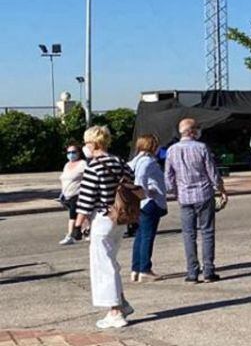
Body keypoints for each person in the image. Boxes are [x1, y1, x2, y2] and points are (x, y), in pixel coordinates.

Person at [74, 126, 137, 329]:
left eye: (86, 143)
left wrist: (77, 225)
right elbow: (131, 182)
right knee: (111, 260)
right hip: (120, 217)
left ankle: (115, 312)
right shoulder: (120, 162)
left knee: (103, 265)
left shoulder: (94, 167)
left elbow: (85, 199)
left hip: (102, 218)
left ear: (93, 143)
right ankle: (122, 302)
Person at [165, 118, 226, 284]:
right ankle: (208, 271)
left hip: (184, 197)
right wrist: (221, 190)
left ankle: (192, 272)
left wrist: (175, 192)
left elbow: (168, 178)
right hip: (204, 194)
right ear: (192, 131)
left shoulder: (171, 150)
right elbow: (213, 173)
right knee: (207, 232)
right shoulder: (201, 147)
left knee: (188, 234)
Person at [129, 135, 168, 283]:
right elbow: (140, 180)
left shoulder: (136, 160)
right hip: (150, 202)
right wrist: (145, 192)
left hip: (142, 203)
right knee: (147, 236)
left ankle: (136, 268)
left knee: (140, 236)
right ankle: (145, 269)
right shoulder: (148, 161)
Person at [59, 143, 87, 245]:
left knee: (72, 216)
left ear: (79, 153)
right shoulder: (67, 165)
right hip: (67, 194)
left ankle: (70, 235)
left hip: (78, 194)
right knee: (85, 215)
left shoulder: (83, 164)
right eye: (69, 152)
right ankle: (88, 230)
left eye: (74, 152)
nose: (71, 154)